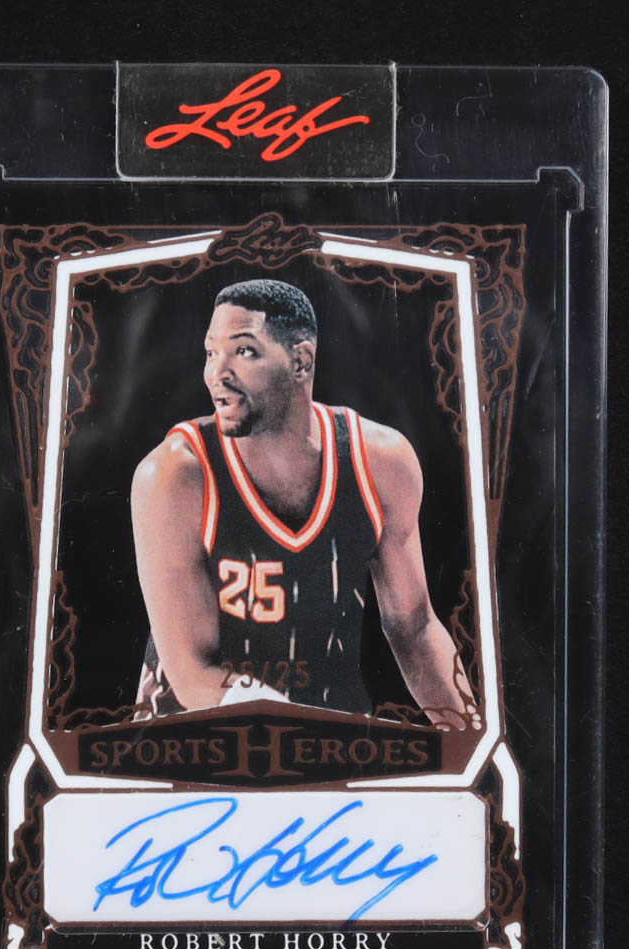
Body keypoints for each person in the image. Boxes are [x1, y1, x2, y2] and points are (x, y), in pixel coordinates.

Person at [131, 279, 475, 727]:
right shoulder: (175, 474)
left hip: (326, 733)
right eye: (211, 353)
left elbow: (415, 628)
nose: (218, 373)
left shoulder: (381, 462)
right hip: (193, 736)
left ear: (301, 360)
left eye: (244, 351)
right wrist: (306, 737)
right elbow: (192, 672)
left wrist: (473, 739)